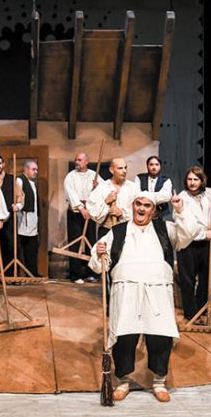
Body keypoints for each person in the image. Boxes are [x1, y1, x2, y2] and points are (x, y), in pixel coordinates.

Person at [89, 192, 200, 403]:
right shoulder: (117, 231)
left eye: (147, 205)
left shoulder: (165, 229)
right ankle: (123, 382)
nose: (141, 209)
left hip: (157, 292)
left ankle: (159, 382)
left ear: (153, 210)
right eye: (138, 204)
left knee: (160, 336)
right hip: (126, 291)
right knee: (124, 336)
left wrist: (180, 210)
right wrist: (99, 252)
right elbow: (98, 261)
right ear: (132, 206)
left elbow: (188, 234)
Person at [176, 167, 211, 321]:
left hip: (206, 243)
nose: (192, 182)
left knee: (209, 276)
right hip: (188, 242)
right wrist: (203, 234)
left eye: (196, 179)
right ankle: (190, 313)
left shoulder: (208, 193)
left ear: (202, 181)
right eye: (189, 179)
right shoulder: (182, 197)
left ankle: (200, 308)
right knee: (188, 280)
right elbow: (184, 225)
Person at [63, 152, 99, 283]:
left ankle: (91, 273)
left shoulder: (94, 175)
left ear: (86, 162)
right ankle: (75, 275)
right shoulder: (70, 176)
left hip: (90, 211)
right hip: (76, 212)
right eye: (76, 160)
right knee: (75, 242)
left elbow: (103, 190)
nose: (76, 162)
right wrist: (81, 208)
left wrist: (97, 187)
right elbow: (71, 193)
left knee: (91, 241)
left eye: (79, 160)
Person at [87, 157, 140, 237]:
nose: (124, 171)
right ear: (112, 170)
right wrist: (106, 202)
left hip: (128, 230)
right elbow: (93, 212)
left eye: (125, 168)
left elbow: (139, 211)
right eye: (120, 168)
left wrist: (122, 213)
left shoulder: (133, 187)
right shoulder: (102, 187)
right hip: (106, 230)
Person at [14, 160, 41, 277]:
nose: (36, 172)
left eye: (36, 170)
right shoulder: (20, 180)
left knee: (32, 249)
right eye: (33, 169)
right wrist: (18, 206)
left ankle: (32, 273)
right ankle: (18, 274)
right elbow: (18, 197)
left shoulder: (32, 184)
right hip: (23, 219)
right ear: (26, 169)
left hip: (33, 220)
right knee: (20, 248)